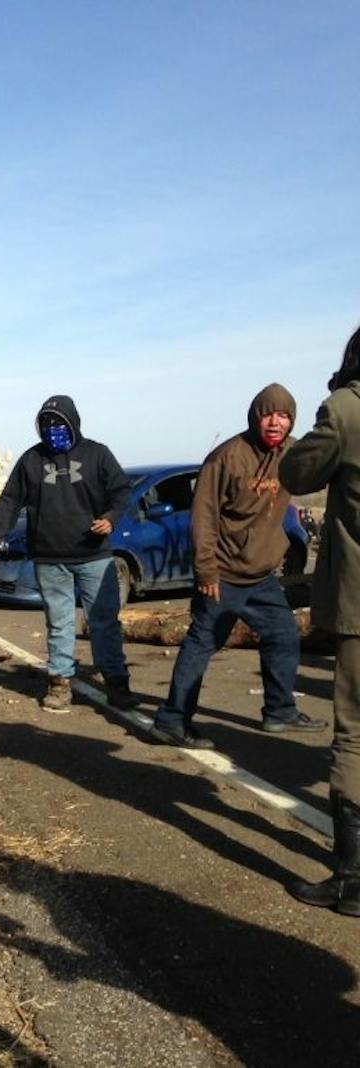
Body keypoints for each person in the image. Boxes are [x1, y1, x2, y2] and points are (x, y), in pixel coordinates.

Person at [149, 384, 325, 748]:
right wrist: (207, 572)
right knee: (201, 646)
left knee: (284, 636)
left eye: (285, 415)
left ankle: (279, 711)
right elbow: (203, 518)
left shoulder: (292, 454)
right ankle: (171, 721)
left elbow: (326, 460)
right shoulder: (226, 457)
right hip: (223, 577)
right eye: (269, 414)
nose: (276, 422)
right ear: (255, 416)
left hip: (261, 578)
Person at [0, 395, 138, 711]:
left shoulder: (97, 455)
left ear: (73, 422)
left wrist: (110, 518)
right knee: (59, 623)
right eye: (47, 424)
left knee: (104, 622)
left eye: (59, 423)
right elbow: (10, 501)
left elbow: (121, 490)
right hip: (50, 560)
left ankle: (117, 683)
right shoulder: (31, 461)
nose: (53, 430)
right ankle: (59, 684)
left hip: (95, 557)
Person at [280, 325, 360, 915]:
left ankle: (353, 880)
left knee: (354, 735)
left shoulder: (347, 410)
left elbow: (296, 475)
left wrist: (335, 398)